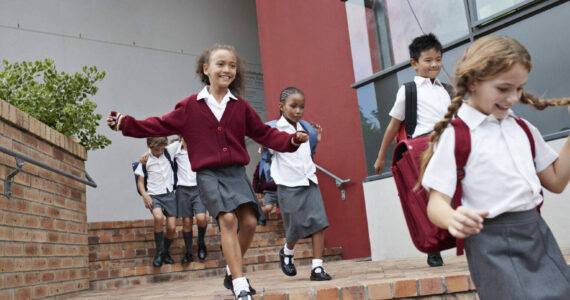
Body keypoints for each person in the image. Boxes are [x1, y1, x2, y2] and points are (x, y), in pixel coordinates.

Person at [107, 44, 308, 300]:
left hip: (235, 173)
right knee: (227, 220)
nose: (227, 70)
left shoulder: (241, 107)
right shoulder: (190, 106)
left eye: (232, 66)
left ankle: (230, 270)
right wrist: (125, 123)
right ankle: (239, 283)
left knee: (249, 221)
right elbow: (159, 124)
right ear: (206, 69)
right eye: (221, 64)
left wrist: (291, 141)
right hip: (208, 175)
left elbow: (265, 134)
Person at [419, 35, 570, 299]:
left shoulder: (523, 128)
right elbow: (436, 203)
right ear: (474, 82)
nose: (513, 97)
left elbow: (557, 181)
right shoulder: (457, 135)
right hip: (491, 242)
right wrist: (452, 218)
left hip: (537, 233)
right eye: (503, 89)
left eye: (519, 88)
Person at [373, 33, 451, 267]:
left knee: (455, 193)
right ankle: (433, 247)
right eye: (428, 60)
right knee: (429, 198)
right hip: (422, 150)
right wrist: (380, 157)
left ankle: (464, 238)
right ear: (414, 63)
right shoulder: (408, 91)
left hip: (448, 147)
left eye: (438, 59)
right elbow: (392, 126)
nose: (434, 64)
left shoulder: (447, 89)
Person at [268, 87, 331, 281]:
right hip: (288, 183)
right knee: (294, 226)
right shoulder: (273, 130)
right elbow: (271, 151)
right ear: (281, 106)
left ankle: (317, 268)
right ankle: (287, 252)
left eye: (301, 107)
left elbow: (307, 154)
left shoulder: (305, 128)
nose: (298, 111)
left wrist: (316, 139)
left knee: (319, 223)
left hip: (309, 179)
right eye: (293, 106)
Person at [140, 137, 208, 263]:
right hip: (181, 190)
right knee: (186, 222)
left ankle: (201, 243)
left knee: (201, 218)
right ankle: (188, 253)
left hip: (197, 189)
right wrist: (146, 153)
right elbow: (159, 148)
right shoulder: (175, 150)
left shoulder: (199, 148)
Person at [135, 137, 177, 267]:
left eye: (161, 149)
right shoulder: (145, 160)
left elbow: (183, 139)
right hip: (154, 195)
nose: (159, 152)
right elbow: (140, 182)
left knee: (172, 227)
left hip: (169, 195)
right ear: (149, 146)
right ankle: (159, 253)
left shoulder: (169, 152)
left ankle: (165, 251)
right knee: (158, 218)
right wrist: (145, 195)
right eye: (155, 150)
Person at [252, 147, 278, 225]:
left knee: (286, 207)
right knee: (268, 207)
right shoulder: (262, 164)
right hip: (269, 191)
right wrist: (256, 190)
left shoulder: (278, 162)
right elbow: (256, 177)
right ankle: (257, 214)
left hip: (281, 189)